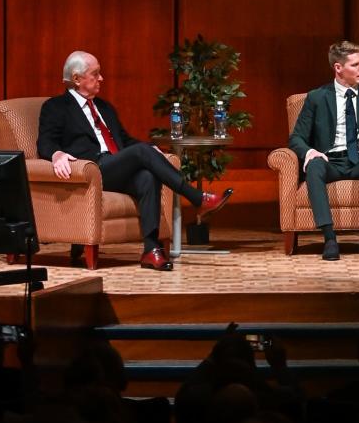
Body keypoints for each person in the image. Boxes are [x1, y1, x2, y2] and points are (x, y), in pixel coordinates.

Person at [37, 50, 231, 271]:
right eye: (96, 74)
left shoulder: (104, 107)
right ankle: (196, 197)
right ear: (77, 78)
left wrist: (150, 149)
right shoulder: (55, 107)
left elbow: (126, 140)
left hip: (115, 167)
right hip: (92, 170)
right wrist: (57, 154)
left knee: (148, 176)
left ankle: (150, 250)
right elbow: (44, 142)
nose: (101, 79)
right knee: (141, 152)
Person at [289, 41, 359, 261]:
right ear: (338, 68)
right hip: (331, 161)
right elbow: (296, 138)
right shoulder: (317, 97)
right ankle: (330, 239)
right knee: (314, 166)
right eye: (356, 64)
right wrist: (310, 152)